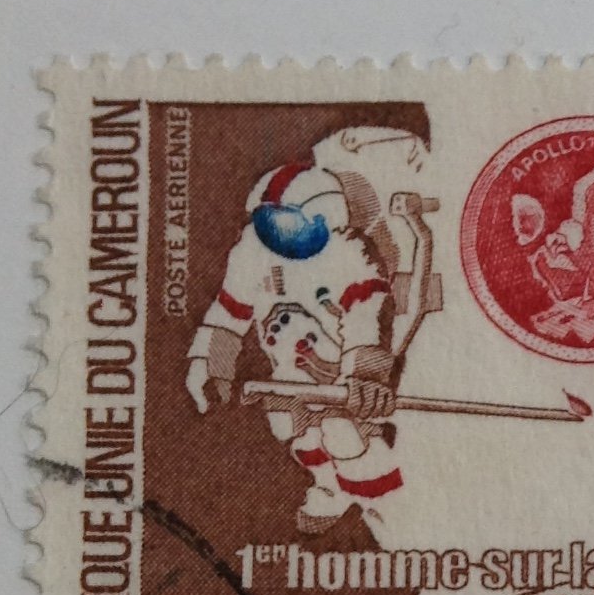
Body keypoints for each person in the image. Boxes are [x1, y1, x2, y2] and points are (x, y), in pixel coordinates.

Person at [184, 128, 432, 534]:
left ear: (325, 220)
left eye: (296, 224)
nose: (283, 235)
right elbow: (229, 312)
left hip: (338, 365)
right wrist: (209, 363)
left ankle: (382, 503)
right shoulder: (252, 251)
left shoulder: (349, 255)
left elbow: (364, 319)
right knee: (293, 430)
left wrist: (363, 379)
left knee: (341, 434)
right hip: (288, 367)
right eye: (273, 222)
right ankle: (330, 487)